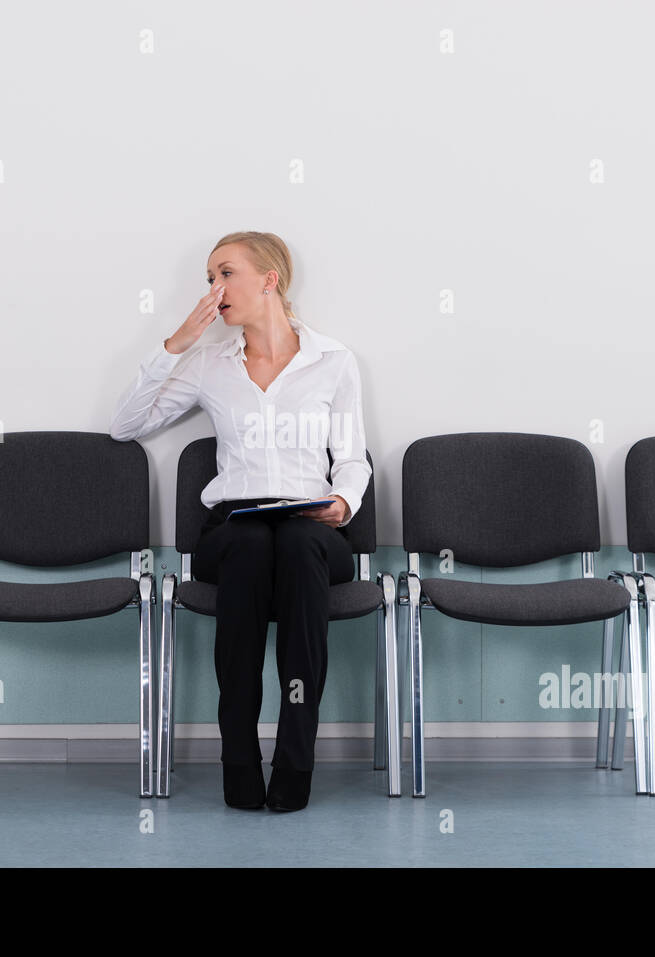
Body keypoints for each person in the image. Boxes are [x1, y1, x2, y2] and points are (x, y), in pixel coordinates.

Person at [109, 231, 372, 812]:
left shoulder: (333, 361)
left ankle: (295, 759)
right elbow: (126, 426)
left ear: (268, 280)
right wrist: (176, 343)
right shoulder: (208, 365)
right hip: (234, 526)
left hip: (312, 524)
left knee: (300, 544)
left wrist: (343, 503)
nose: (214, 289)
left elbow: (352, 457)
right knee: (251, 546)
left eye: (224, 274)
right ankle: (239, 757)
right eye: (209, 279)